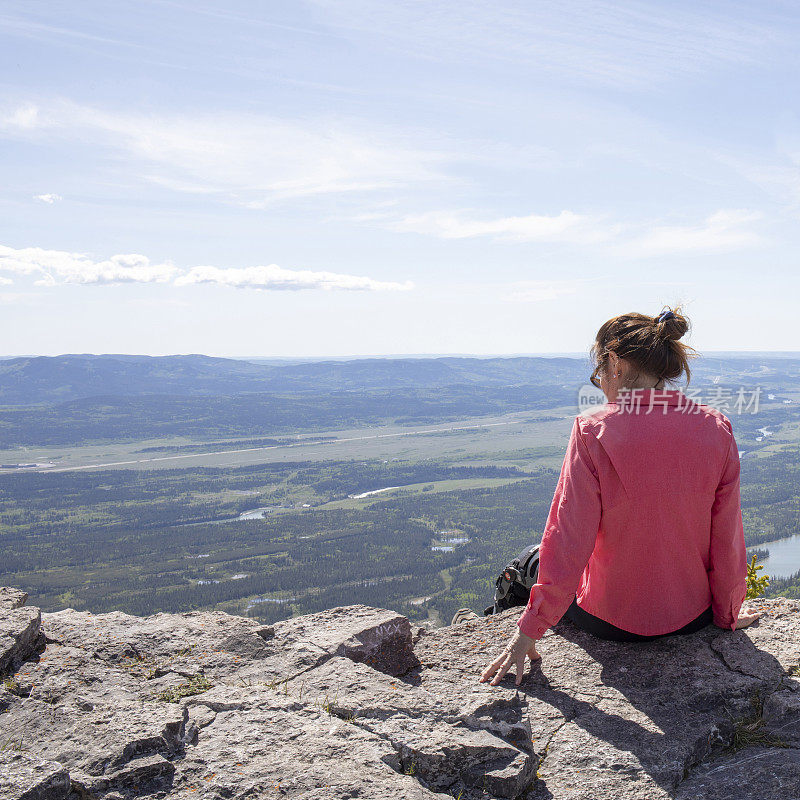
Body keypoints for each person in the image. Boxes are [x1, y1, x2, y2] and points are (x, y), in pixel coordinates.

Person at [480, 307, 760, 687]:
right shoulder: (716, 427)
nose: (602, 386)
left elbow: (567, 538)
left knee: (528, 562)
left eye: (598, 376)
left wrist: (529, 629)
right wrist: (726, 614)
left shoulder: (593, 430)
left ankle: (489, 616)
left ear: (614, 364)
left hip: (608, 622)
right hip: (693, 618)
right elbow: (727, 536)